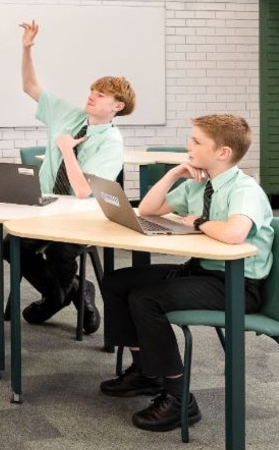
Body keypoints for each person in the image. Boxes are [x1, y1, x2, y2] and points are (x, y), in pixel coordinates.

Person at [99, 115, 273, 432]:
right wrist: (176, 172)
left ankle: (180, 398)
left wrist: (196, 223)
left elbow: (235, 233)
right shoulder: (198, 183)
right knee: (117, 282)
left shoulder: (243, 189)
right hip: (201, 272)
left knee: (146, 299)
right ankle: (146, 373)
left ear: (222, 152)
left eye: (195, 141)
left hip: (236, 284)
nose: (187, 146)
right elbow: (149, 209)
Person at [3, 20, 136, 335]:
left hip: (84, 215)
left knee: (62, 252)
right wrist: (26, 47)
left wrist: (66, 150)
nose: (92, 96)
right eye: (92, 90)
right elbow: (29, 86)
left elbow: (82, 193)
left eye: (101, 95)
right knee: (10, 245)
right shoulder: (68, 114)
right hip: (48, 205)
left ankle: (56, 296)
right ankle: (72, 291)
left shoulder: (111, 142)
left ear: (117, 107)